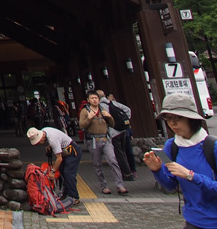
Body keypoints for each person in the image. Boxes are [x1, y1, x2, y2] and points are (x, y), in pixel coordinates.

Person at [144, 92, 217, 229]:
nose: (172, 123)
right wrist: (157, 170)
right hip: (192, 221)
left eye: (178, 118)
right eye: (168, 118)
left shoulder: (212, 146)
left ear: (191, 119)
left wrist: (191, 176)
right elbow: (170, 186)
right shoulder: (172, 146)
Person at [78, 90, 127, 195]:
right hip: (93, 140)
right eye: (92, 98)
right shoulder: (85, 111)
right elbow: (81, 125)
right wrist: (89, 118)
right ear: (88, 100)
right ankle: (104, 186)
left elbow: (112, 124)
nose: (94, 100)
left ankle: (120, 185)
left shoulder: (103, 109)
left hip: (106, 139)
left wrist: (109, 117)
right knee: (97, 164)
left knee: (113, 161)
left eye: (96, 98)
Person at [28, 126, 81, 206]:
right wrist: (50, 147)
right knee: (62, 172)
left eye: (38, 141)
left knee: (68, 173)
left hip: (73, 152)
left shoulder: (53, 140)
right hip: (65, 151)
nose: (39, 143)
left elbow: (59, 159)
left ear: (41, 136)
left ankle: (74, 196)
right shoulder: (45, 131)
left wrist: (53, 171)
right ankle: (66, 194)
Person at [98, 90, 136, 181]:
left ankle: (127, 174)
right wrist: (124, 122)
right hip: (123, 131)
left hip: (113, 132)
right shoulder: (113, 103)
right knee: (123, 152)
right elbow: (128, 110)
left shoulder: (101, 106)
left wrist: (114, 124)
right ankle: (130, 171)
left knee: (119, 154)